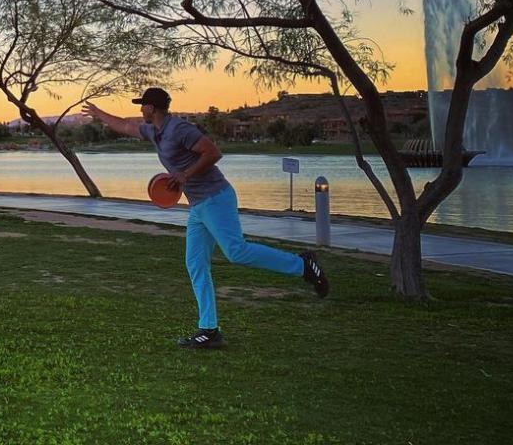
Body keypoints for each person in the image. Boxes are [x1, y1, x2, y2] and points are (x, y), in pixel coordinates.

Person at [82, 87, 329, 349]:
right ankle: (209, 330)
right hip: (199, 205)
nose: (140, 109)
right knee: (196, 263)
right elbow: (124, 126)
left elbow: (213, 152)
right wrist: (98, 114)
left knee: (236, 252)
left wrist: (186, 175)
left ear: (152, 108)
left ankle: (303, 266)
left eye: (143, 105)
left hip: (216, 198)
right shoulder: (155, 132)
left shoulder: (179, 129)